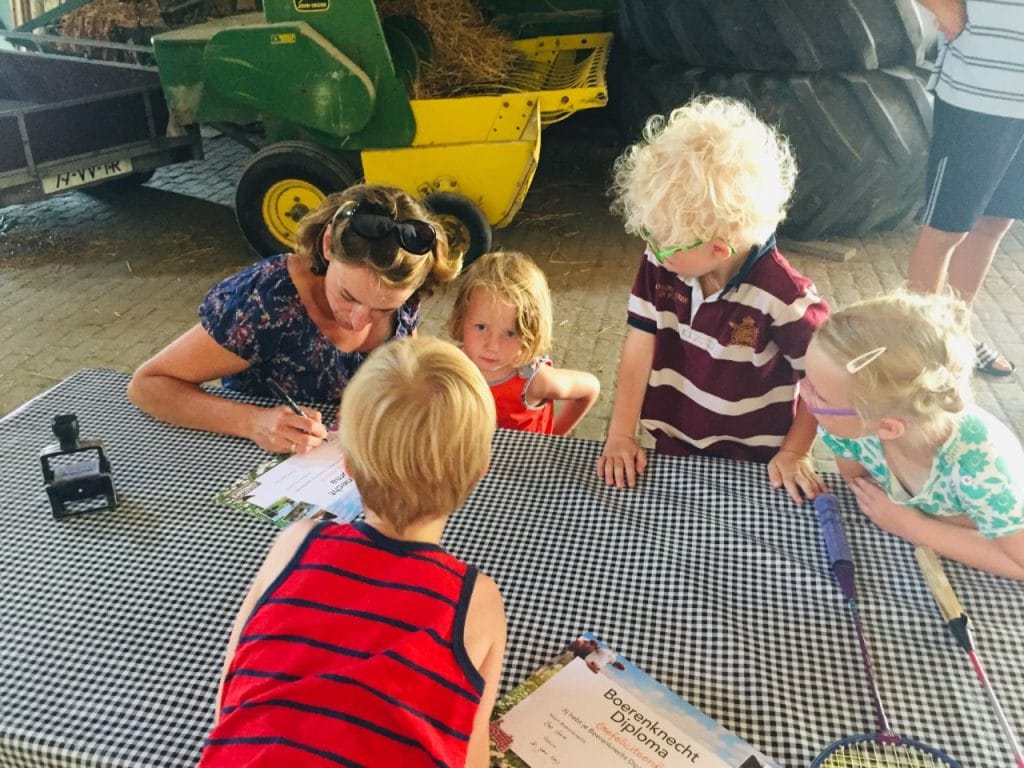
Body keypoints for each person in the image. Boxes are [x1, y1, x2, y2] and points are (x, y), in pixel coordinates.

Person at [198, 336, 507, 767]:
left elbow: (234, 688)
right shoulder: (477, 600)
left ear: (346, 464)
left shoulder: (294, 541)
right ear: (480, 471)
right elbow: (469, 749)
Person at [596, 95, 830, 502]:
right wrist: (620, 433)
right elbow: (640, 343)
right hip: (673, 445)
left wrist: (796, 451)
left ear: (718, 249)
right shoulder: (660, 262)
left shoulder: (784, 297)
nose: (651, 247)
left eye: (663, 241)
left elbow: (826, 377)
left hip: (755, 464)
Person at [127, 184, 460, 454]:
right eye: (348, 296)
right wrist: (253, 422)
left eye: (383, 310)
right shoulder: (265, 300)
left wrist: (379, 397)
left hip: (346, 465)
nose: (359, 321)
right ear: (328, 245)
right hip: (260, 467)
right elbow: (148, 386)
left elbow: (401, 364)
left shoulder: (406, 289)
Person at [804, 290, 1024, 580]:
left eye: (819, 395)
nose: (803, 392)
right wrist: (955, 523)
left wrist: (913, 527)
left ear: (888, 428)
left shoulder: (984, 466)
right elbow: (858, 483)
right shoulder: (849, 429)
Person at [907, 0, 1024, 377]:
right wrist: (944, 7)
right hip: (980, 90)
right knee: (946, 229)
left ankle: (957, 336)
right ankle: (917, 353)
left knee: (994, 223)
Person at [447, 251, 600, 436]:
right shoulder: (451, 366)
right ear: (461, 318)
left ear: (532, 331)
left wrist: (556, 437)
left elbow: (590, 388)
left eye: (510, 333)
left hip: (524, 462)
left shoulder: (535, 381)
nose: (492, 346)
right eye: (481, 327)